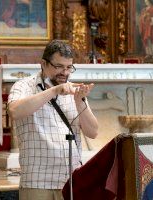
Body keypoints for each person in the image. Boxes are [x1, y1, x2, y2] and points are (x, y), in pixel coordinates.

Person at [8, 40, 99, 200]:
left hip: (70, 182)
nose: (65, 73)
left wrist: (79, 101)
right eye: (59, 67)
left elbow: (92, 132)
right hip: (38, 183)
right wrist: (54, 91)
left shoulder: (73, 90)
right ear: (44, 63)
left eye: (69, 67)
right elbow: (15, 111)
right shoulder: (23, 86)